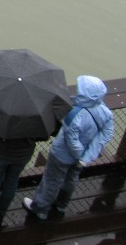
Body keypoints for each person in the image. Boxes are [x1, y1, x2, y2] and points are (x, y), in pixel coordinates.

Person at [23, 75, 114, 220]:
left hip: (62, 154)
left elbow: (72, 140)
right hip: (82, 157)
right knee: (71, 179)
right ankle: (61, 205)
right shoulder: (105, 111)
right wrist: (87, 157)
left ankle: (40, 208)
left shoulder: (74, 114)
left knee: (52, 180)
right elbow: (105, 135)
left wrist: (78, 155)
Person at [0, 129, 43, 226]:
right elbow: (43, 136)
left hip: (2, 152)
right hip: (23, 154)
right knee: (12, 180)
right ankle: (0, 213)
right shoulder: (37, 118)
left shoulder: (6, 116)